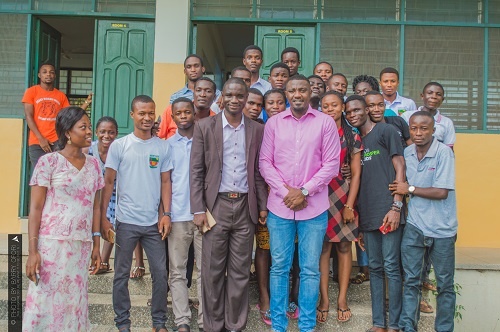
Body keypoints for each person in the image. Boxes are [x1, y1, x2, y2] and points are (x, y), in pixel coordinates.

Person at [260, 75, 340, 332]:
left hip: (313, 208)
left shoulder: (325, 123)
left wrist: (304, 191)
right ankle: (279, 326)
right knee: (279, 267)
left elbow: (332, 164)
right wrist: (287, 192)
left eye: (302, 90)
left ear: (310, 93)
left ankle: (307, 326)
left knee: (310, 269)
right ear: (286, 93)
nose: (297, 94)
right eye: (292, 90)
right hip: (280, 208)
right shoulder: (273, 123)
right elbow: (265, 163)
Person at [190, 78, 268, 332]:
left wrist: (263, 206)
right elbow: (196, 171)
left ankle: (235, 325)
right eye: (230, 95)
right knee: (212, 271)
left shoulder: (257, 129)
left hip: (246, 206)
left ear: (247, 98)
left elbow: (257, 172)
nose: (235, 100)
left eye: (240, 96)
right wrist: (199, 209)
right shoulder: (204, 126)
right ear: (221, 98)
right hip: (216, 207)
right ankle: (212, 326)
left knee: (240, 272)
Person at [23, 106, 103, 331]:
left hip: (80, 246)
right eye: (83, 127)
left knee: (73, 303)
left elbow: (95, 207)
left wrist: (96, 243)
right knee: (45, 301)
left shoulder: (94, 165)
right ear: (67, 132)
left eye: (89, 126)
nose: (89, 132)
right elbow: (36, 208)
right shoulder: (48, 163)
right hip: (51, 247)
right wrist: (32, 251)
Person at [100, 95, 172, 332]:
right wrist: (104, 217)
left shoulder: (162, 146)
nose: (147, 117)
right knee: (120, 275)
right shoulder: (120, 146)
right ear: (132, 115)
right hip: (125, 222)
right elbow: (108, 182)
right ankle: (123, 324)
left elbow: (165, 182)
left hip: (153, 223)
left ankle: (158, 322)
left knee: (161, 274)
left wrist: (166, 214)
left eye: (151, 113)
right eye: (142, 113)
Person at [390, 111, 457, 332]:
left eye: (424, 128)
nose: (418, 133)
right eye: (414, 128)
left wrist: (408, 189)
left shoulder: (444, 153)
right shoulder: (407, 152)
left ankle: (444, 329)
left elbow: (441, 192)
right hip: (415, 227)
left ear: (433, 130)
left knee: (445, 284)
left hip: (442, 229)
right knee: (411, 281)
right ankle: (409, 328)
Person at [344, 95, 406, 332]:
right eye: (348, 112)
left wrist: (396, 206)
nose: (353, 115)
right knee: (376, 268)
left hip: (388, 211)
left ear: (367, 110)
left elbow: (400, 165)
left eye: (357, 109)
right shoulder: (357, 141)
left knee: (391, 266)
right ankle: (378, 323)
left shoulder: (385, 131)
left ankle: (396, 324)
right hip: (368, 214)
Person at [317, 91, 363, 324]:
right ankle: (324, 299)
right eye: (325, 106)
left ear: (343, 106)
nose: (330, 109)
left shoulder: (352, 134)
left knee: (344, 246)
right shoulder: (316, 130)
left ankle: (342, 299)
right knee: (323, 247)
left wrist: (349, 205)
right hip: (319, 194)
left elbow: (356, 174)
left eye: (334, 105)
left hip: (343, 194)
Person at [167, 98, 204, 332]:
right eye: (178, 113)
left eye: (187, 112)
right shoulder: (166, 146)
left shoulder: (205, 143)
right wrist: (166, 213)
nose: (183, 116)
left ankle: (204, 320)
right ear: (172, 117)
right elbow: (164, 183)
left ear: (194, 115)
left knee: (205, 271)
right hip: (177, 217)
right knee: (177, 271)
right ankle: (182, 320)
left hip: (202, 215)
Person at [255, 88, 288, 327]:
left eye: (279, 102)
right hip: (266, 198)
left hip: (291, 199)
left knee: (288, 254)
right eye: (270, 103)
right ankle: (265, 296)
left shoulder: (292, 127)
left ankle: (286, 298)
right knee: (265, 249)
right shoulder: (261, 129)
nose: (275, 106)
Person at [82, 116, 119, 274]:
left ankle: (103, 260)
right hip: (93, 192)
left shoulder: (118, 149)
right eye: (102, 132)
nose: (107, 136)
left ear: (116, 133)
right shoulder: (89, 149)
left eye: (111, 132)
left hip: (114, 191)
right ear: (96, 132)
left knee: (111, 220)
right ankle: (90, 257)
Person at [158, 55, 221, 139]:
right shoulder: (174, 99)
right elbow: (160, 133)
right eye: (189, 67)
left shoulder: (219, 96)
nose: (202, 95)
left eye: (196, 66)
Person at [22, 63, 70, 168]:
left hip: (57, 141)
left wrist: (85, 103)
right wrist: (41, 138)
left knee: (57, 175)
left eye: (51, 72)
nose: (48, 74)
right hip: (37, 142)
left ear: (55, 76)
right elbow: (28, 116)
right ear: (39, 75)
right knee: (40, 176)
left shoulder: (61, 96)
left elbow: (69, 116)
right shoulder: (31, 92)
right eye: (44, 72)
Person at [401, 82, 456, 149]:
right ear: (422, 96)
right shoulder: (406, 117)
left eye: (438, 94)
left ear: (442, 99)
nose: (434, 97)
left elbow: (449, 149)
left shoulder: (447, 122)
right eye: (430, 93)